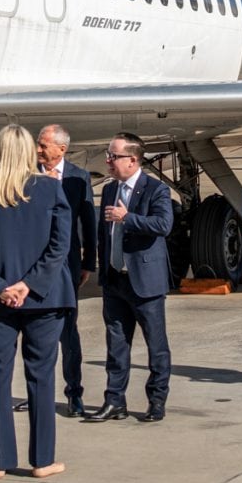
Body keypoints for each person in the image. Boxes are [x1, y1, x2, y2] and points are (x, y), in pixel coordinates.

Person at [0, 124, 76, 479]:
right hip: (44, 298)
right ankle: (42, 460)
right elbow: (60, 245)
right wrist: (30, 284)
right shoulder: (51, 190)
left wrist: (0, 286)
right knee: (41, 376)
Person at [86, 132, 173, 423]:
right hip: (115, 280)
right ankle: (114, 401)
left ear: (133, 160)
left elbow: (163, 224)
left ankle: (157, 401)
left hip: (145, 281)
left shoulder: (155, 189)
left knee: (156, 346)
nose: (108, 161)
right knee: (116, 345)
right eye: (108, 155)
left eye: (113, 156)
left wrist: (128, 219)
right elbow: (103, 233)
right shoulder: (111, 189)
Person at [14, 123, 96, 417]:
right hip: (31, 265)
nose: (38, 150)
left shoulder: (77, 177)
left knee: (67, 332)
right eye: (38, 144)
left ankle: (74, 393)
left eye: (44, 145)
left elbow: (88, 222)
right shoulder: (27, 174)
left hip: (66, 266)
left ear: (62, 149)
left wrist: (88, 263)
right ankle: (35, 393)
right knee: (33, 332)